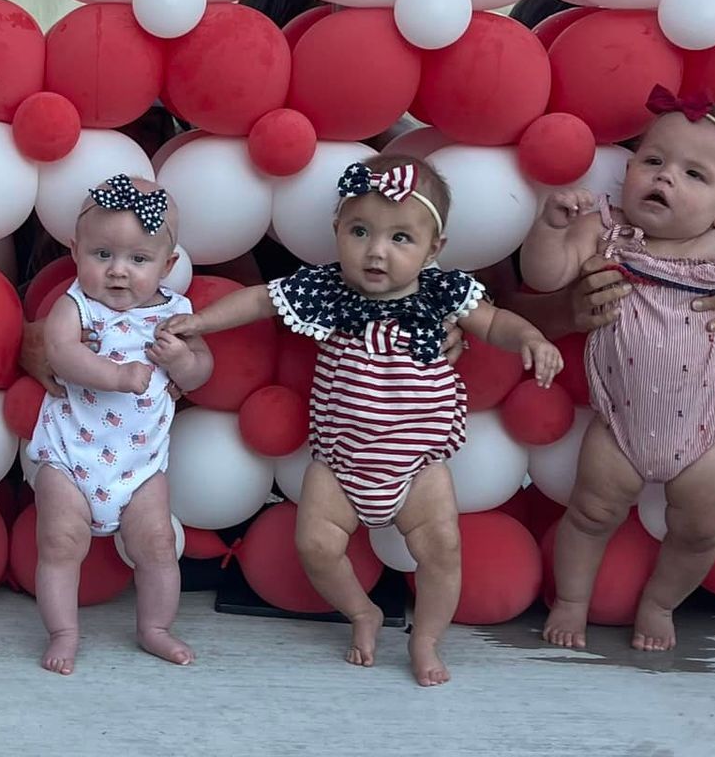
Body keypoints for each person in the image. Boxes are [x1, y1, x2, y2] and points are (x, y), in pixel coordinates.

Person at [170, 155, 562, 687]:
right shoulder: (330, 291)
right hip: (340, 460)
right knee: (315, 546)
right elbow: (261, 300)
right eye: (360, 231)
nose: (376, 251)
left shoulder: (441, 294)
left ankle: (425, 639)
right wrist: (201, 321)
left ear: (433, 249)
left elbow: (494, 323)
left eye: (401, 238)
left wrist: (531, 339)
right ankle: (362, 611)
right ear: (337, 232)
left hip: (417, 463)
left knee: (443, 554)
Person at [524, 86, 715, 653]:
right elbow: (547, 278)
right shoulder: (609, 230)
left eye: (694, 175)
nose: (664, 177)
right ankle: (572, 599)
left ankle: (661, 602)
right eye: (652, 161)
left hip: (706, 432)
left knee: (698, 533)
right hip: (619, 425)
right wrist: (549, 230)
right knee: (589, 515)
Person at [27, 177, 208, 675]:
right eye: (102, 254)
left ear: (168, 265)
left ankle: (155, 628)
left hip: (140, 463)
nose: (119, 272)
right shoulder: (74, 305)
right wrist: (117, 374)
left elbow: (201, 371)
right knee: (61, 543)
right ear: (75, 251)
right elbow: (61, 355)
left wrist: (185, 363)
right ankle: (63, 631)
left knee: (157, 545)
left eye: (139, 260)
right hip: (70, 454)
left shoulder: (176, 314)